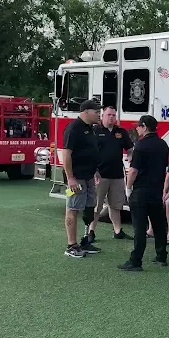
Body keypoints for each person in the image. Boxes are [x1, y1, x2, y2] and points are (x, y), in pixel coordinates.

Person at [118, 115, 169, 272]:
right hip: (156, 190)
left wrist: (128, 188)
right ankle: (161, 256)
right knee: (159, 225)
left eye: (139, 126)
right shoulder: (163, 145)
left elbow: (133, 170)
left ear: (145, 127)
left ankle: (136, 261)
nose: (137, 128)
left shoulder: (140, 145)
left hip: (141, 191)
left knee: (139, 228)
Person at [85, 106, 133, 244]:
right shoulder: (95, 131)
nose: (111, 117)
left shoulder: (121, 132)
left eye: (113, 115)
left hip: (117, 175)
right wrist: (93, 170)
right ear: (102, 116)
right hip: (99, 175)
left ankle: (117, 231)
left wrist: (131, 157)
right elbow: (88, 152)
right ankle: (91, 232)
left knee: (116, 205)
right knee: (97, 206)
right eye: (108, 115)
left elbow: (130, 148)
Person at [62, 100, 101, 258]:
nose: (98, 114)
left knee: (89, 208)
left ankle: (85, 241)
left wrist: (95, 171)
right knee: (72, 208)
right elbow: (66, 154)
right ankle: (71, 245)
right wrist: (70, 178)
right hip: (76, 178)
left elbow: (91, 151)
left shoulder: (90, 129)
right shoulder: (73, 128)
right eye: (96, 111)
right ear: (86, 111)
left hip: (89, 176)